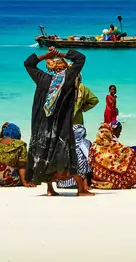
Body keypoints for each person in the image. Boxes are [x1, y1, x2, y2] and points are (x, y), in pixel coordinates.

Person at [24, 47, 93, 196]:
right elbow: (81, 58)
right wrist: (60, 53)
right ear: (63, 65)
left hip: (43, 125)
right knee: (67, 153)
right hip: (61, 125)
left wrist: (45, 55)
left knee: (46, 153)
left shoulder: (42, 79)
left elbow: (28, 64)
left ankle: (50, 189)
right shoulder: (68, 78)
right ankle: (80, 189)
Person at [0, 123, 35, 188]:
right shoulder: (20, 145)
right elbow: (22, 166)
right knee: (26, 172)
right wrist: (24, 182)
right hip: (1, 177)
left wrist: (1, 131)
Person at [89, 123, 136, 190]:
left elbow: (90, 163)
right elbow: (128, 152)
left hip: (97, 183)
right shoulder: (115, 145)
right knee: (134, 155)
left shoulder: (94, 146)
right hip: (115, 183)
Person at [56, 125, 93, 190]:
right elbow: (87, 161)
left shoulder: (65, 143)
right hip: (78, 183)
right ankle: (85, 184)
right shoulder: (86, 143)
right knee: (84, 160)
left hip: (61, 183)